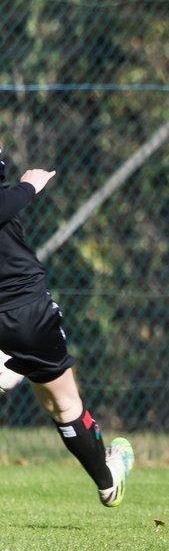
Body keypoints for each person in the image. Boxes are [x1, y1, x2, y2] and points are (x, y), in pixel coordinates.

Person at [0, 146, 134, 507]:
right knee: (66, 406)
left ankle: (5, 364)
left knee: (55, 403)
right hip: (26, 312)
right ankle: (108, 483)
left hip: (19, 314)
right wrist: (28, 187)